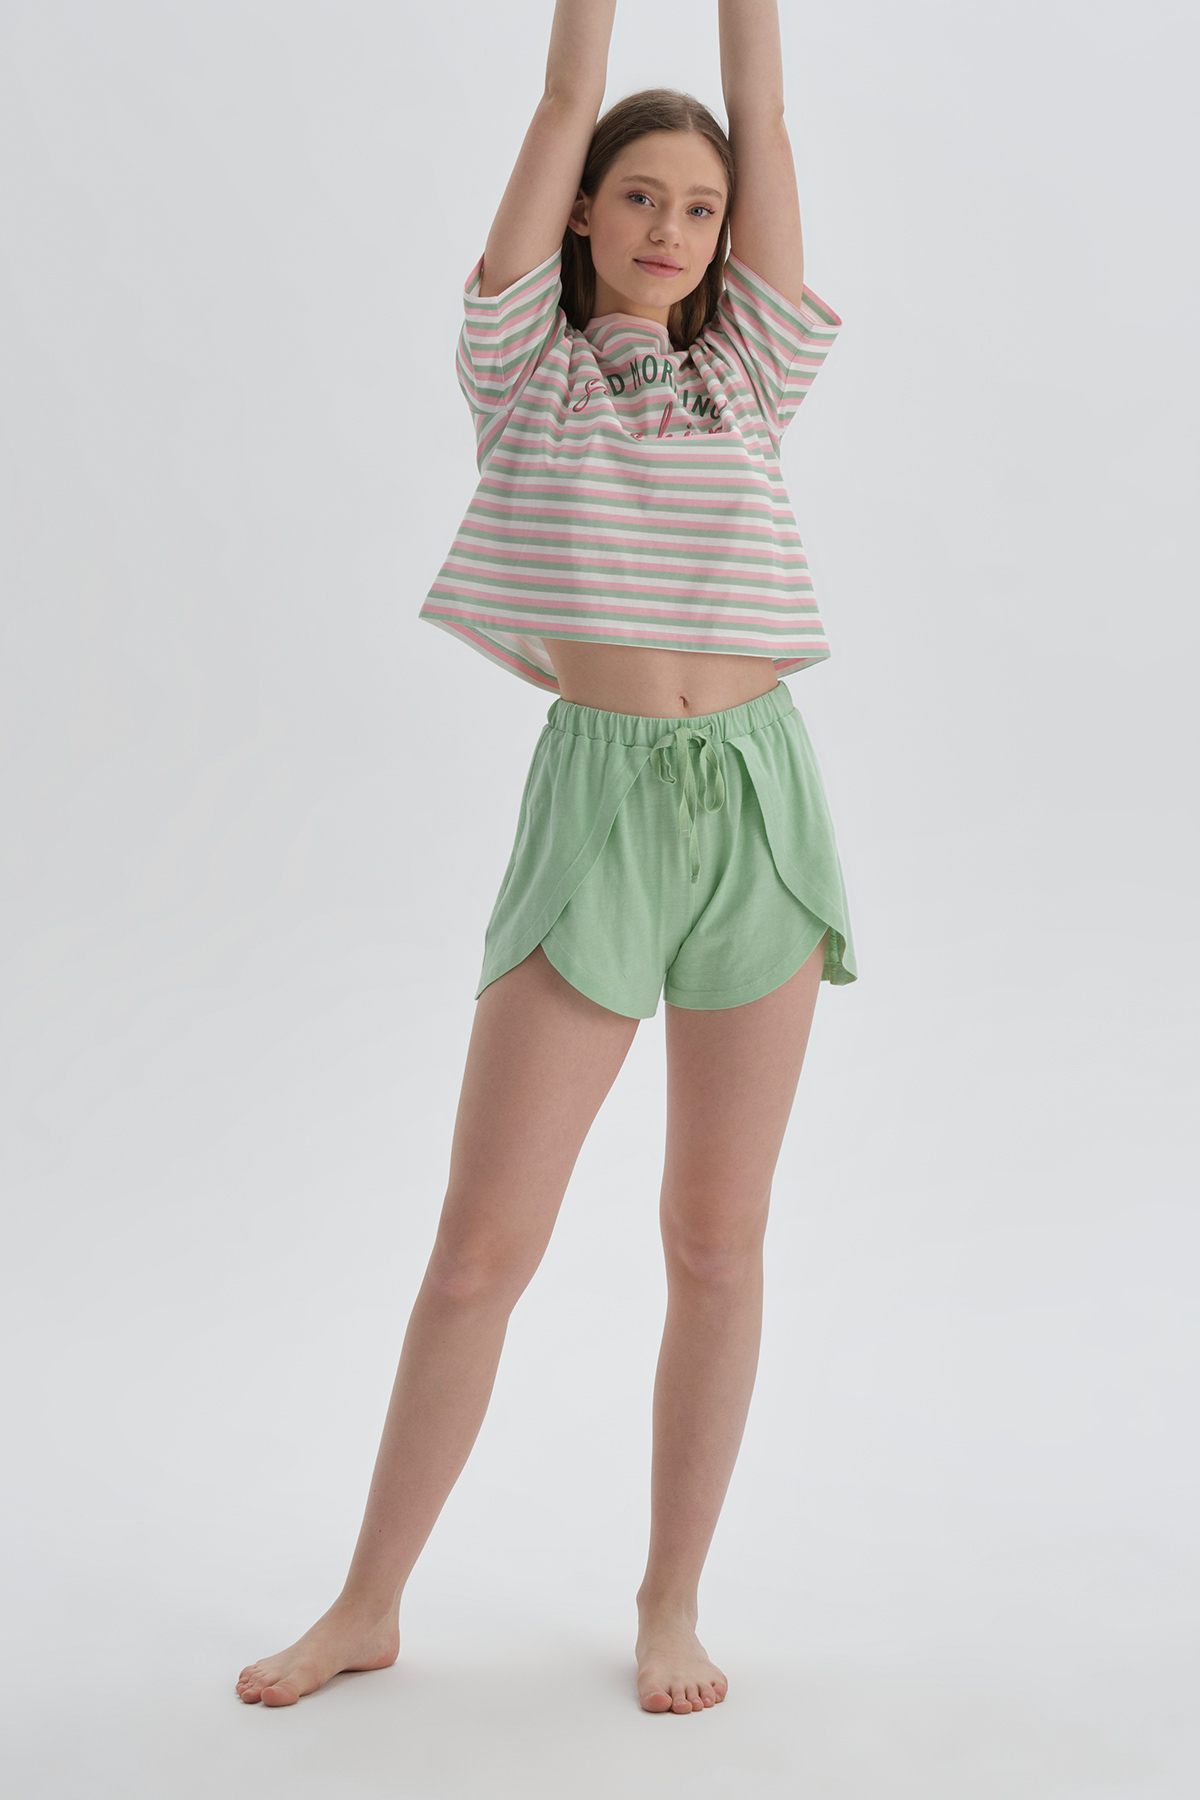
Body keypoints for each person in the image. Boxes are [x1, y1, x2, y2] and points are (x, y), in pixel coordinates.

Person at [237, 0, 856, 1717]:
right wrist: (580, 70)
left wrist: (745, 56)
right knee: (478, 1251)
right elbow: (566, 85)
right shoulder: (522, 372)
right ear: (585, 212)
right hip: (598, 809)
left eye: (700, 209)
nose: (673, 227)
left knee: (716, 1240)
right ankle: (367, 1602)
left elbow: (766, 111)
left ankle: (671, 1601)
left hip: (763, 804)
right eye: (639, 196)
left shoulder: (750, 371)